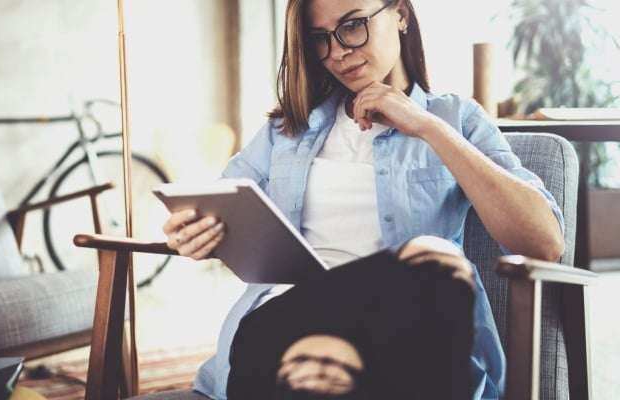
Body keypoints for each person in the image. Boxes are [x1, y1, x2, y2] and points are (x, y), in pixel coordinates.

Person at [162, 0, 565, 398]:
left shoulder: (456, 119)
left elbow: (543, 241)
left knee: (434, 257)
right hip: (286, 330)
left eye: (352, 25)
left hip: (403, 333)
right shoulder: (285, 131)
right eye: (319, 38)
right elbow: (218, 207)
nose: (337, 52)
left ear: (401, 15)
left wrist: (428, 128)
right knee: (429, 261)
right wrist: (195, 230)